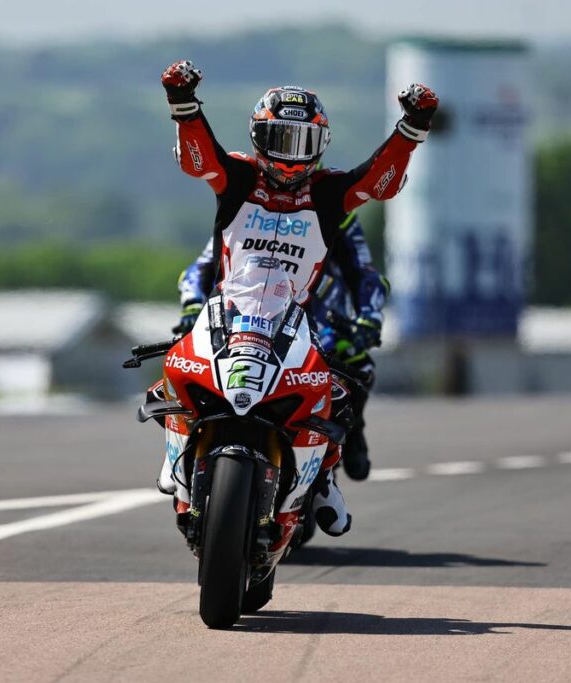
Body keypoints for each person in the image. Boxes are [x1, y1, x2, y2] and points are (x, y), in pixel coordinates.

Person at [159, 59, 437, 536]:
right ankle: (177, 456)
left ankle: (323, 476)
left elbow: (380, 182)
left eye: (301, 143)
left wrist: (412, 129)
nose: (289, 156)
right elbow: (197, 160)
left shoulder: (330, 193)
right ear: (256, 139)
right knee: (174, 369)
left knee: (337, 394)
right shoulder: (239, 179)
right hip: (227, 314)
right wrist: (183, 106)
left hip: (296, 322)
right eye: (278, 140)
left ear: (320, 146)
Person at [172, 209, 389, 481]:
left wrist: (369, 317)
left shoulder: (335, 207)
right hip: (241, 316)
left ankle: (343, 445)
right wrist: (192, 304)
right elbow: (203, 264)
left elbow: (365, 273)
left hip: (313, 317)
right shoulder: (245, 203)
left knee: (357, 365)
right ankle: (184, 448)